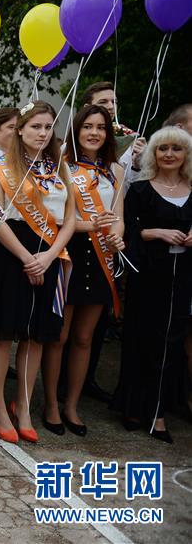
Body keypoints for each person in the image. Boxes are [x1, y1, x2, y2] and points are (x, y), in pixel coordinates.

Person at [0, 101, 75, 444]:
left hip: (50, 253)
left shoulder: (58, 167)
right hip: (12, 253)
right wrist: (27, 258)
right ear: (20, 129)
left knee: (36, 334)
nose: (42, 132)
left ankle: (23, 405)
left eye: (48, 126)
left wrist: (49, 257)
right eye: (35, 126)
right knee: (5, 331)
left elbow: (69, 218)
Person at [40, 105, 125, 438]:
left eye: (101, 127)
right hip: (70, 252)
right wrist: (90, 224)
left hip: (101, 256)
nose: (94, 132)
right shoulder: (61, 166)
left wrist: (118, 237)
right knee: (59, 336)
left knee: (85, 338)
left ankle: (72, 405)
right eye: (87, 126)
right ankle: (49, 403)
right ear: (76, 131)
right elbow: (57, 216)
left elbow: (117, 215)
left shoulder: (113, 171)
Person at [111, 126, 192, 444]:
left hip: (183, 277)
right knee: (141, 339)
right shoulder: (142, 190)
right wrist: (157, 232)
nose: (169, 154)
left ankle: (159, 412)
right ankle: (133, 407)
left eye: (177, 149)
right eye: (163, 149)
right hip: (149, 277)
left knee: (172, 343)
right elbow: (130, 231)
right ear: (153, 153)